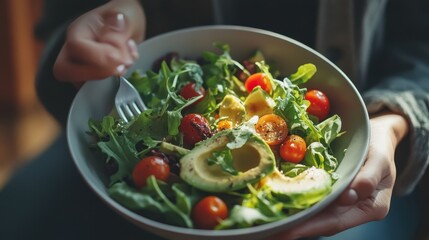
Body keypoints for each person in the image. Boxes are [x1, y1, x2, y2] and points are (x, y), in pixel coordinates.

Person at [0, 0, 428, 239]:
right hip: (121, 102)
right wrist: (100, 39)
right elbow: (61, 21)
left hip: (365, 140)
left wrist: (393, 120)